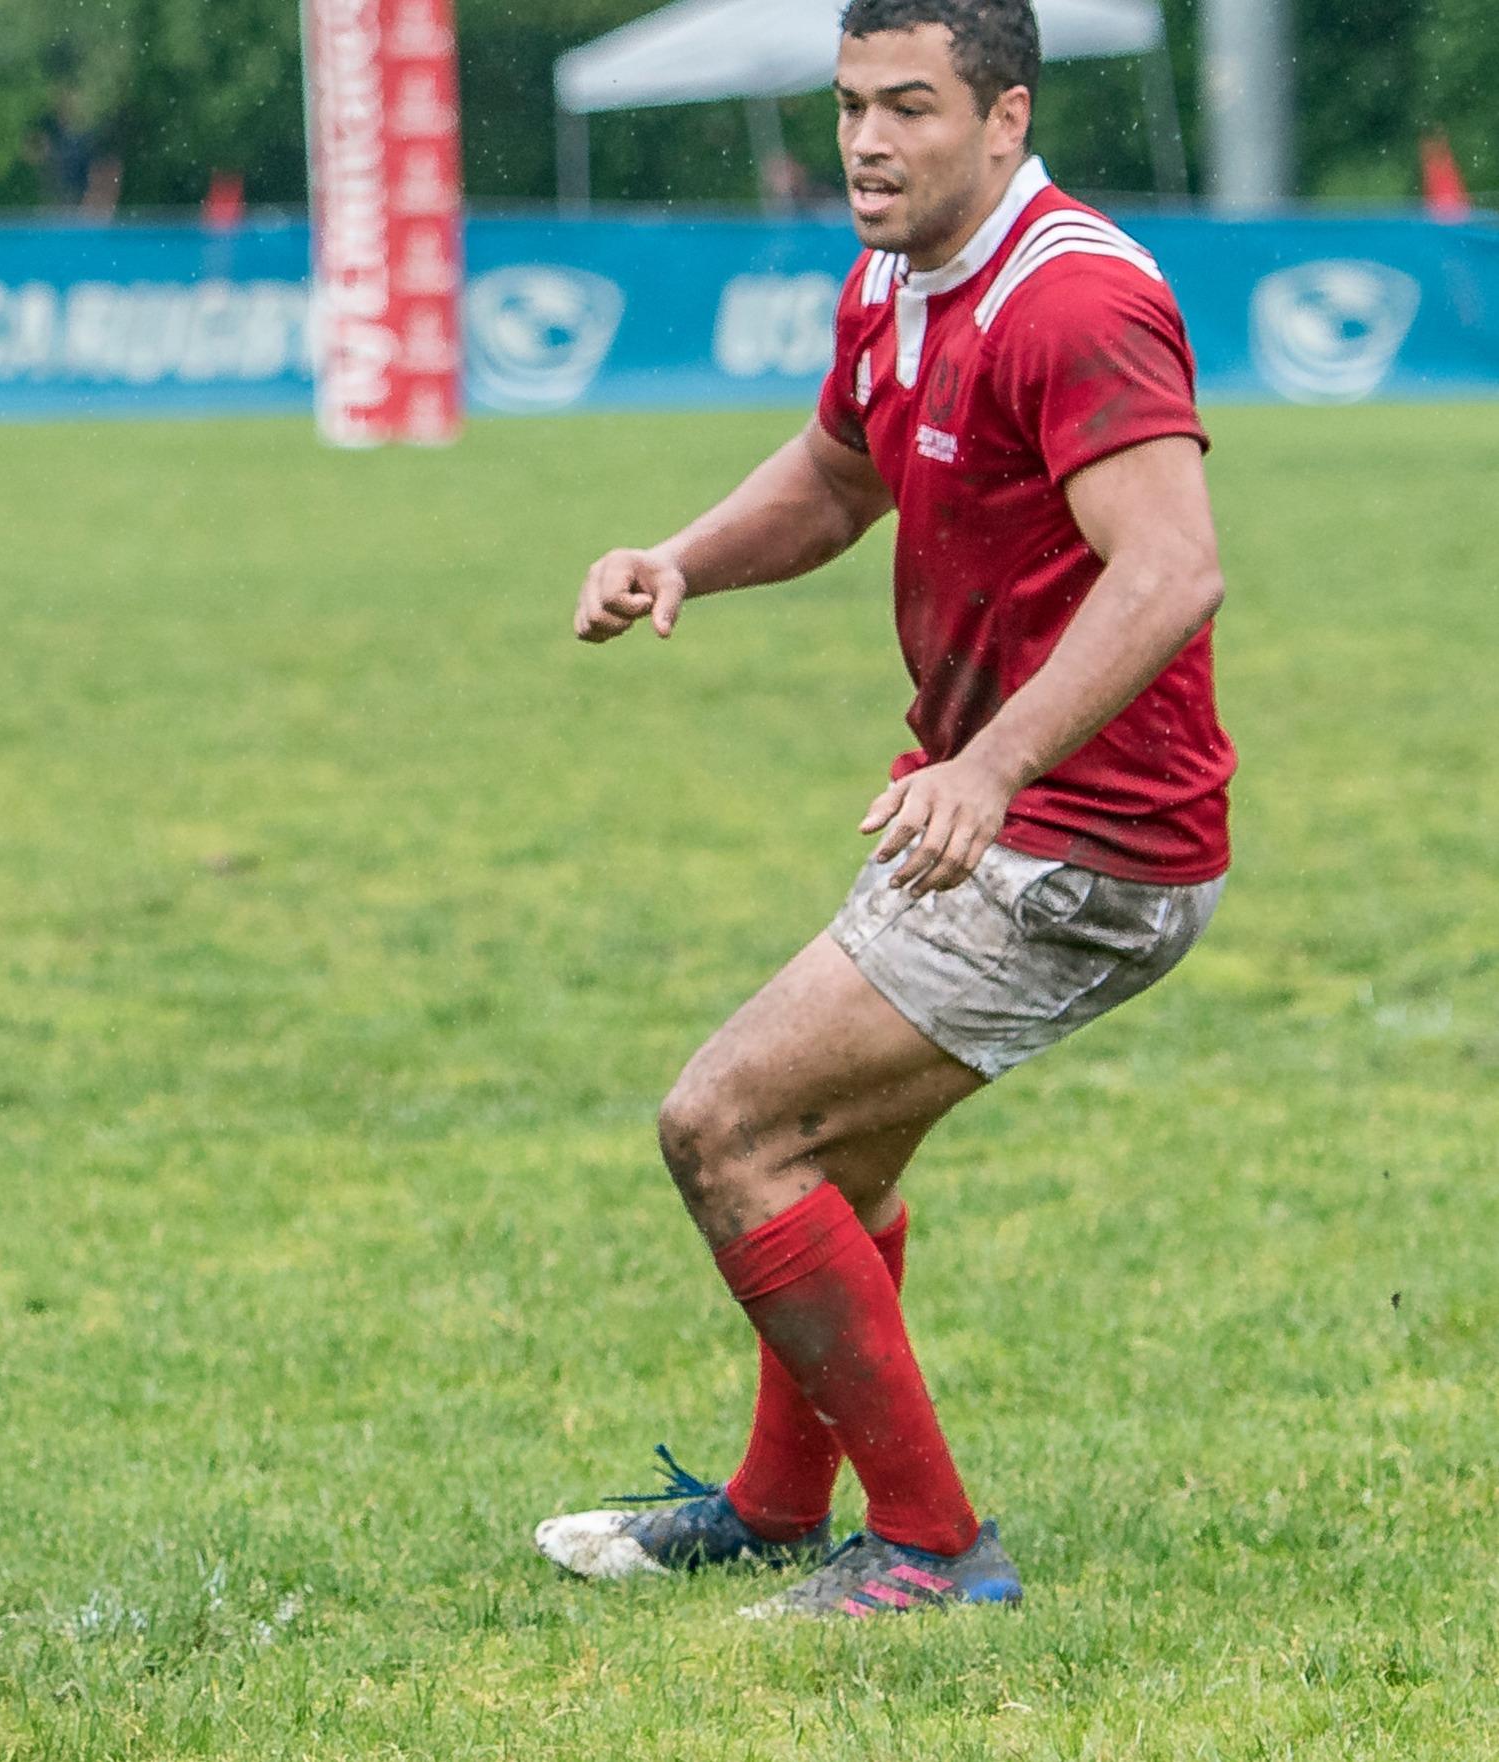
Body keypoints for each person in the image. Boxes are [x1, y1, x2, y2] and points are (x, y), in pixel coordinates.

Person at [537, 0, 1232, 1619]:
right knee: (823, 1149)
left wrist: (992, 766)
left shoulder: (1072, 301)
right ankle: (783, 1503)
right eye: (850, 103)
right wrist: (681, 558)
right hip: (1003, 815)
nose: (865, 140)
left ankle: (929, 1547)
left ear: (1004, 119)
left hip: (1083, 845)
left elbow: (1174, 566)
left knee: (725, 1124)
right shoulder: (895, 277)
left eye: (908, 107)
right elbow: (841, 475)